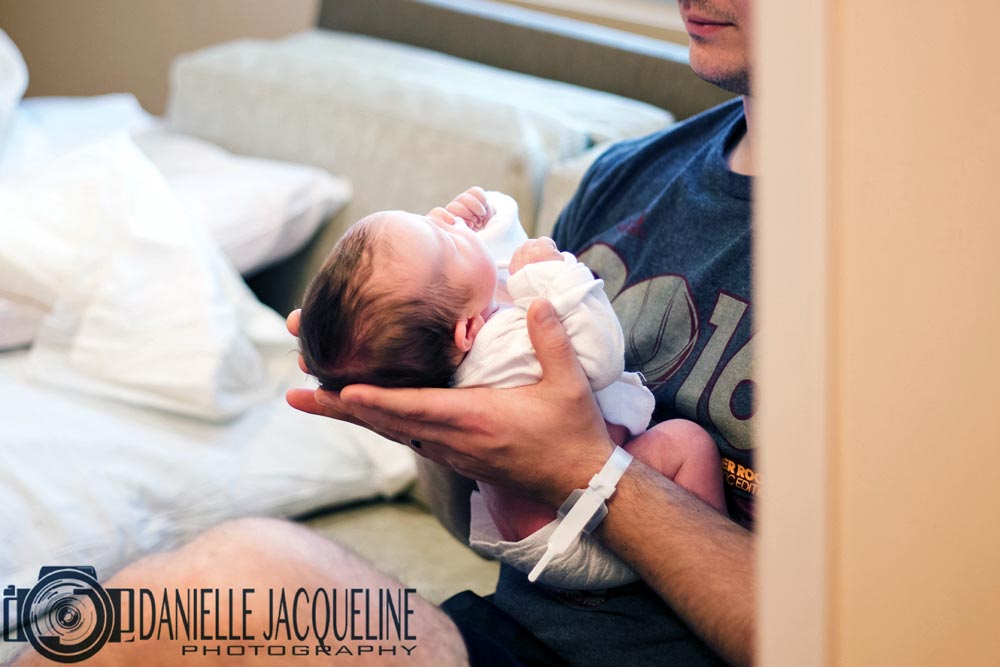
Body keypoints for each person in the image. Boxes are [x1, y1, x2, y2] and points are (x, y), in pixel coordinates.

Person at [14, 1, 754, 665]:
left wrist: (583, 468)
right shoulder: (627, 177)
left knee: (239, 571)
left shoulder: (865, 285)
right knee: (206, 596)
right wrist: (420, 410)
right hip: (505, 635)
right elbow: (472, 517)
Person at [296, 187, 725, 591]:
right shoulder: (509, 348)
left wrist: (477, 225)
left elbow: (500, 267)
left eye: (430, 220)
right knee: (687, 442)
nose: (443, 217)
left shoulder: (457, 355)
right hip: (581, 527)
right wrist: (554, 275)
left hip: (531, 530)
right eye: (449, 240)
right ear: (466, 331)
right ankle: (714, 573)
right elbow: (602, 356)